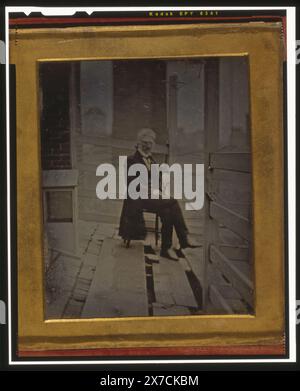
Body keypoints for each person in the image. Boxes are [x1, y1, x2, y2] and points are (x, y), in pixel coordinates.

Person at [119, 128, 199, 260]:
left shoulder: (152, 160)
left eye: (150, 143)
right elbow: (132, 184)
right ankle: (184, 238)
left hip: (152, 196)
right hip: (138, 198)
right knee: (172, 202)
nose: (148, 145)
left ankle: (166, 249)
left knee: (168, 211)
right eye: (145, 142)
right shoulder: (131, 160)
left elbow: (158, 182)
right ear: (139, 143)